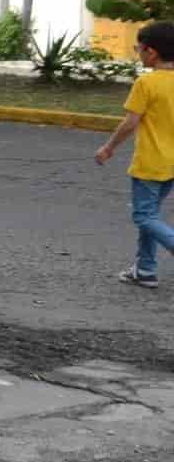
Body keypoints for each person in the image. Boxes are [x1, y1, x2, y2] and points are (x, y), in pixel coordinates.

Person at [94, 21, 174, 288]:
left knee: (144, 216)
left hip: (151, 164)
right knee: (150, 215)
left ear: (151, 52)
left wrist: (108, 148)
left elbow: (131, 122)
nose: (137, 53)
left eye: (138, 49)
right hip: (172, 166)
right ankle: (145, 270)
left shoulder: (147, 82)